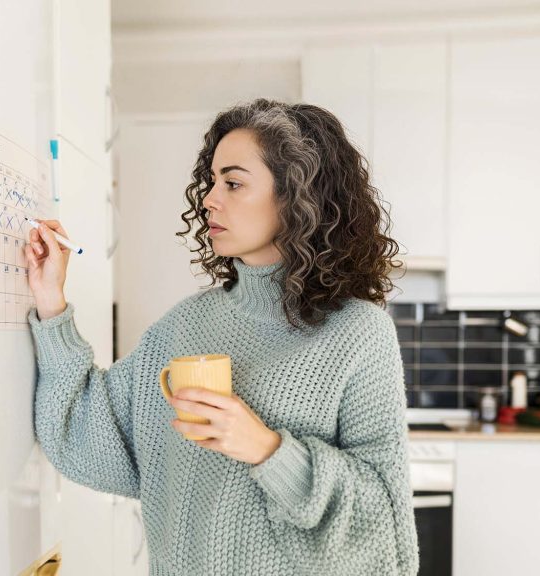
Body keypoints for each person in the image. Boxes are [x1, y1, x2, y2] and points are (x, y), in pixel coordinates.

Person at [23, 98, 418, 575]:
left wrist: (268, 450)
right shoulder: (184, 327)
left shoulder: (358, 334)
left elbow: (383, 528)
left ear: (298, 196)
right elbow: (86, 433)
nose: (210, 198)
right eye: (212, 181)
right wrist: (52, 303)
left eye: (233, 183)